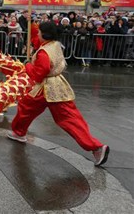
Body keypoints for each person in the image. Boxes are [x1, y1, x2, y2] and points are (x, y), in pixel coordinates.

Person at [8, 21, 110, 167]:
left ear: (45, 34)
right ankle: (19, 132)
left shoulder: (43, 52)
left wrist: (28, 66)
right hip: (58, 85)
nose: (37, 34)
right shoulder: (54, 44)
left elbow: (39, 74)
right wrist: (29, 23)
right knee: (70, 117)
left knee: (29, 108)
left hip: (45, 88)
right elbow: (36, 40)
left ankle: (96, 147)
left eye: (39, 32)